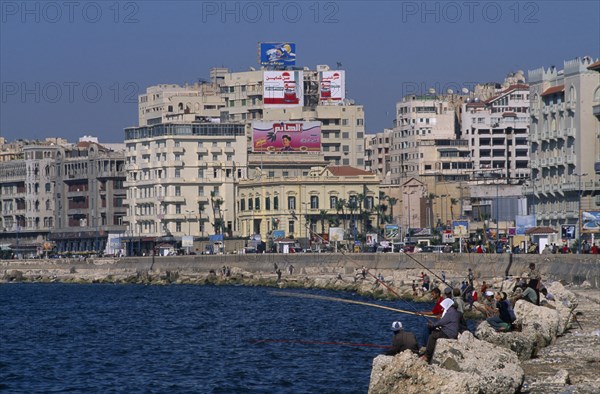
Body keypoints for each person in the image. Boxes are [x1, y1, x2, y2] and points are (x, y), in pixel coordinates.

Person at [421, 298, 460, 363]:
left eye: (443, 307)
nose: (442, 309)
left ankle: (427, 356)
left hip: (449, 333)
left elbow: (441, 322)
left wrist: (432, 325)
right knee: (434, 332)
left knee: (432, 336)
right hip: (450, 331)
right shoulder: (454, 311)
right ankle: (428, 351)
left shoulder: (450, 312)